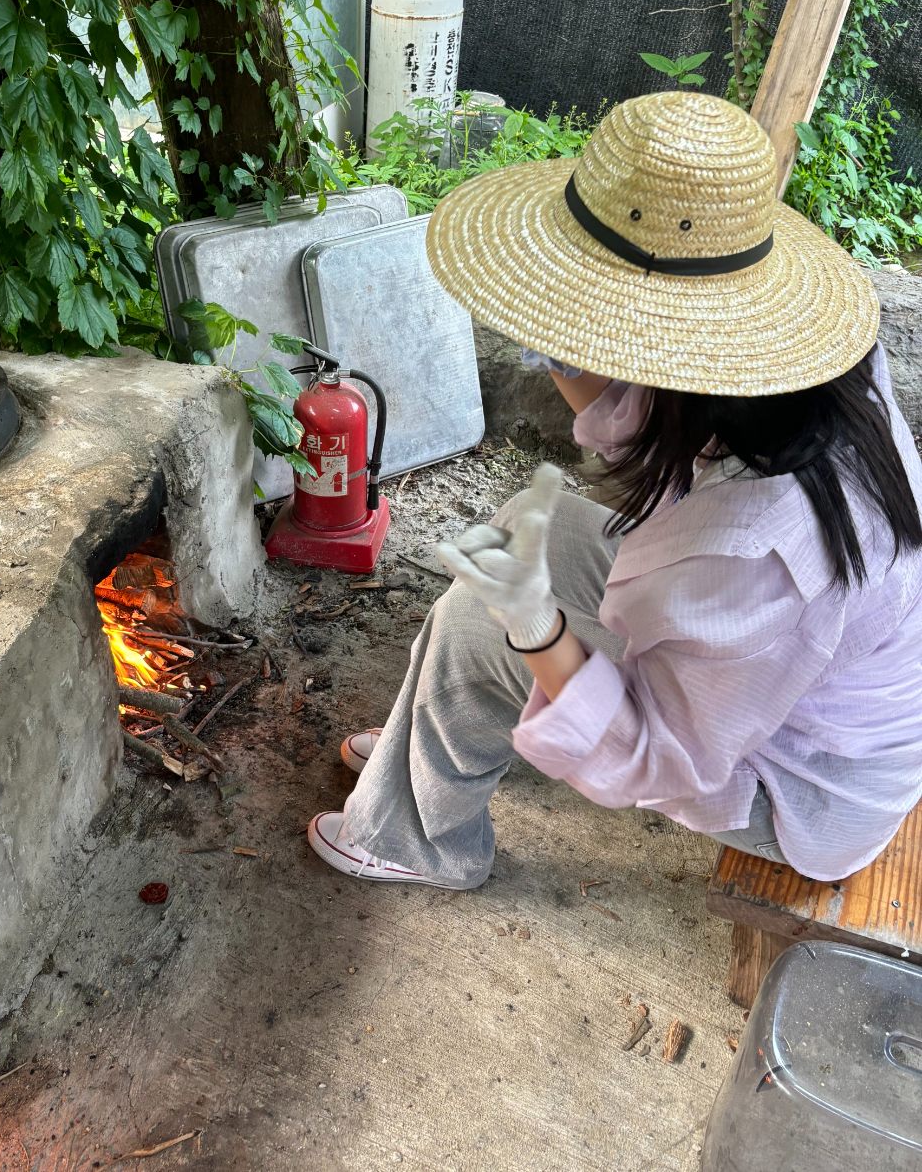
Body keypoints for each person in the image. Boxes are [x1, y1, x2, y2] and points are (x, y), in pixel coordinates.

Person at [307, 91, 922, 889]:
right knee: (539, 529)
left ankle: (415, 839)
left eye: (553, 349)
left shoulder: (760, 550)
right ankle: (425, 742)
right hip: (798, 686)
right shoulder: (802, 378)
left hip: (800, 783)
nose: (552, 362)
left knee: (481, 623)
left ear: (650, 359)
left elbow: (661, 756)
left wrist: (534, 627)